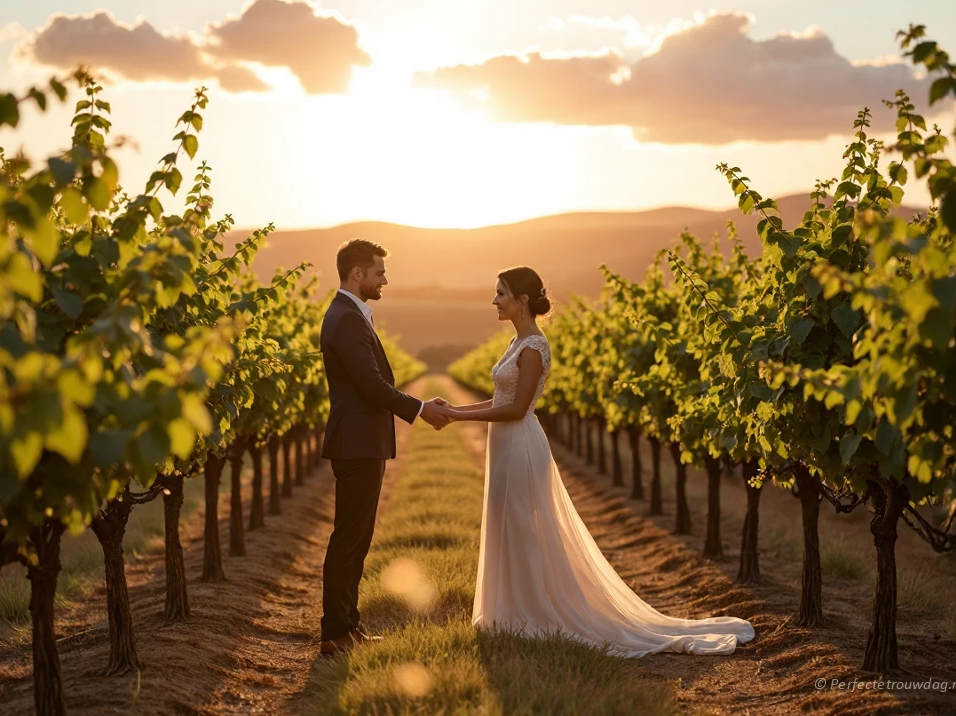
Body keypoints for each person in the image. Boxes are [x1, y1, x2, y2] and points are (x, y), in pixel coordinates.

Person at [435, 265, 756, 657]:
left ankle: (531, 613)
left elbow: (517, 409)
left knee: (523, 527)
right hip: (504, 444)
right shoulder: (517, 342)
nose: (494, 300)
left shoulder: (534, 345)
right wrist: (455, 409)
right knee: (507, 524)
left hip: (519, 444)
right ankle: (509, 612)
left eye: (500, 293)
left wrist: (458, 416)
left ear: (521, 300)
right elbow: (500, 400)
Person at [317, 238, 454, 657]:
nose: (385, 280)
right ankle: (335, 633)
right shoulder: (345, 318)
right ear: (356, 274)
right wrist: (420, 409)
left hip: (362, 442)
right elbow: (371, 386)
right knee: (349, 538)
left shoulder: (352, 315)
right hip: (356, 444)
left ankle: (348, 626)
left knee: (358, 539)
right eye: (379, 273)